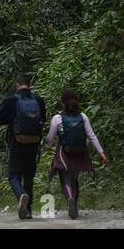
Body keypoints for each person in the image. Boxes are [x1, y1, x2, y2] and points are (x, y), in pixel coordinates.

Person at [46, 89, 108, 219]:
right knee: (74, 179)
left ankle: (70, 199)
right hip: (80, 152)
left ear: (62, 102)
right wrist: (101, 152)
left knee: (65, 180)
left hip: (65, 152)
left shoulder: (58, 118)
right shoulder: (83, 117)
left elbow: (50, 138)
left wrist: (48, 146)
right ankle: (74, 203)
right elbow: (91, 136)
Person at [0, 74, 46, 219]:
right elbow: (43, 119)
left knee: (13, 175)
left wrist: (11, 119)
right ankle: (28, 211)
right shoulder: (38, 100)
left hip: (17, 142)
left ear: (17, 85)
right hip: (34, 143)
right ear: (29, 85)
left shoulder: (12, 100)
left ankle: (21, 194)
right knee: (29, 176)